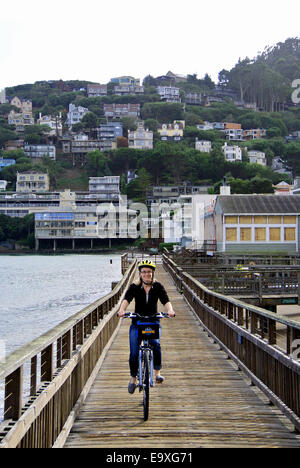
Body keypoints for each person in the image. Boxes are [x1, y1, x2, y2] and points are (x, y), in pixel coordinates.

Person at [118, 259, 175, 394]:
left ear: (153, 273)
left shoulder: (158, 287)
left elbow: (165, 300)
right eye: (143, 272)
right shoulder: (134, 287)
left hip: (153, 321)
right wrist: (122, 310)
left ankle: (157, 373)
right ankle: (133, 379)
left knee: (155, 344)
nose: (146, 274)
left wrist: (170, 311)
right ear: (140, 273)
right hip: (137, 322)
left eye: (149, 272)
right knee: (133, 352)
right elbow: (127, 299)